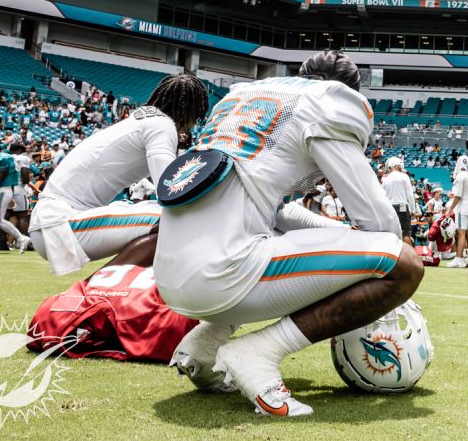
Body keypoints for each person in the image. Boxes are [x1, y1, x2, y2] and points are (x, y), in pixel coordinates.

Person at [155, 50, 423, 418]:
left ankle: (204, 344)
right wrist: (365, 250)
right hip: (224, 275)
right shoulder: (330, 103)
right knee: (404, 264)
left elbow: (278, 212)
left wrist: (343, 239)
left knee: (267, 235)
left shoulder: (240, 96)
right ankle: (258, 353)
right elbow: (382, 226)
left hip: (171, 274)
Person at [27, 74, 210, 275]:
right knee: (177, 220)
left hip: (55, 219)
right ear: (190, 111)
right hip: (60, 222)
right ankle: (94, 294)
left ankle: (109, 292)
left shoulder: (146, 119)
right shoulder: (162, 125)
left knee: (173, 219)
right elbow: (170, 189)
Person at [445, 155, 468, 267]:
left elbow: (458, 196)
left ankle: (459, 259)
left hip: (462, 208)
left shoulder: (460, 176)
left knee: (461, 233)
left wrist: (449, 210)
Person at [381, 156, 418, 246]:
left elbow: (383, 197)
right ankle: (408, 258)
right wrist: (413, 210)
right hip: (402, 207)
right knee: (406, 234)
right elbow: (410, 195)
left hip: (390, 208)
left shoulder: (385, 179)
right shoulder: (404, 176)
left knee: (392, 235)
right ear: (398, 166)